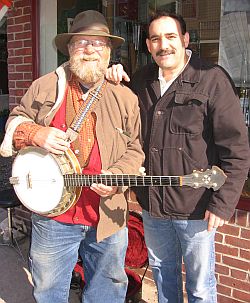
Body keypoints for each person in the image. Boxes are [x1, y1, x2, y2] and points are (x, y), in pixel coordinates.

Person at [0, 10, 144, 303]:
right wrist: (35, 134)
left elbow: (135, 150)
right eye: (81, 42)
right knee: (49, 292)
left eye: (98, 43)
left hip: (107, 215)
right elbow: (16, 121)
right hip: (54, 216)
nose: (90, 49)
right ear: (69, 49)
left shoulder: (125, 97)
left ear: (108, 52)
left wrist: (117, 178)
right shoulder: (44, 86)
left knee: (107, 291)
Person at [106, 10, 250, 303]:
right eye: (156, 39)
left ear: (185, 39)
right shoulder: (141, 81)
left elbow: (236, 151)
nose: (164, 45)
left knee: (199, 286)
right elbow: (123, 127)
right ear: (148, 45)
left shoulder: (211, 80)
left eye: (171, 36)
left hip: (196, 207)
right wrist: (112, 77)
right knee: (162, 273)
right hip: (153, 205)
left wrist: (223, 205)